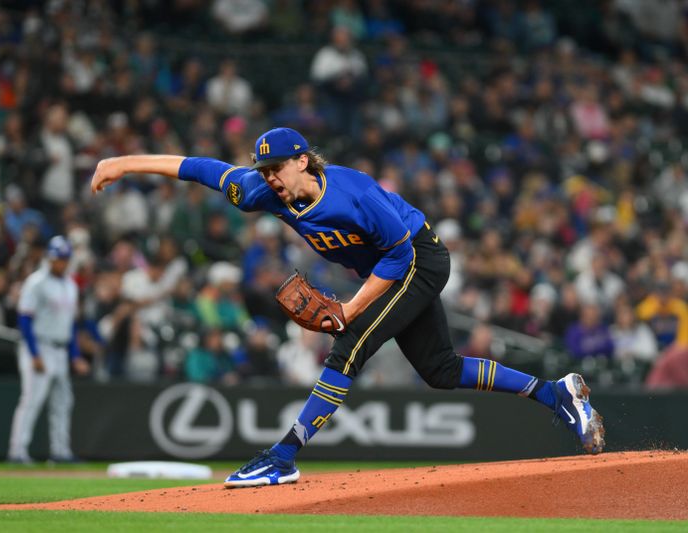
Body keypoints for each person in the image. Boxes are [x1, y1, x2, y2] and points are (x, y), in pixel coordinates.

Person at [90, 127, 605, 488]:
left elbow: (399, 254)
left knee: (349, 346)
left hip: (417, 258)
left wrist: (351, 309)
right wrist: (124, 163)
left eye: (275, 168)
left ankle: (282, 456)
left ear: (302, 161)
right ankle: (556, 395)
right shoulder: (261, 193)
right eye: (262, 169)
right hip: (393, 264)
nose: (268, 177)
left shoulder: (351, 193)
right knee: (441, 371)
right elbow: (199, 169)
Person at [7, 236, 90, 464]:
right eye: (57, 259)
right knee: (32, 399)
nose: (61, 263)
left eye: (64, 259)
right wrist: (34, 354)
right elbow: (24, 319)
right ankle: (17, 451)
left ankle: (60, 451)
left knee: (63, 402)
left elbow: (71, 324)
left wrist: (75, 355)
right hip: (39, 345)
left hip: (61, 349)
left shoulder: (71, 284)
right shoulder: (36, 282)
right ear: (49, 258)